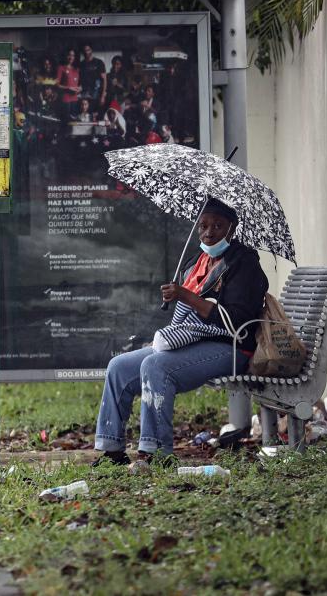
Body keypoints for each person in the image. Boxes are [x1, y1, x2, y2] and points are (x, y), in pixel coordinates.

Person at [92, 198, 268, 467]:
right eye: (204, 226)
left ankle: (156, 453)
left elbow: (236, 321)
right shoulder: (197, 262)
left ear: (232, 229)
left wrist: (186, 296)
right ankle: (111, 450)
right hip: (190, 340)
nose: (209, 233)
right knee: (118, 367)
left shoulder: (244, 263)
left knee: (156, 365)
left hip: (230, 346)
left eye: (218, 227)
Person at [79, 43, 107, 108]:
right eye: (84, 51)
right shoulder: (81, 64)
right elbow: (79, 79)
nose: (86, 52)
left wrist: (103, 96)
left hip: (96, 93)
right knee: (86, 113)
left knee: (96, 114)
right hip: (84, 93)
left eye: (88, 50)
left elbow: (104, 80)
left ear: (91, 50)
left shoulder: (99, 62)